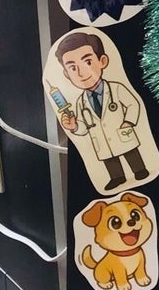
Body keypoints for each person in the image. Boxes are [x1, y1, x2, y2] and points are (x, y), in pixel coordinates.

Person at [57, 31, 150, 190]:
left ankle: (139, 170)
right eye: (72, 68)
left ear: (102, 61)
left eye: (87, 62)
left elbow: (133, 104)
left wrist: (128, 122)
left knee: (130, 152)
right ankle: (117, 177)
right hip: (101, 141)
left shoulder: (116, 88)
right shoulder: (80, 102)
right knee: (109, 158)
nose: (81, 72)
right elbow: (84, 126)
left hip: (122, 131)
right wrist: (74, 126)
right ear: (66, 74)